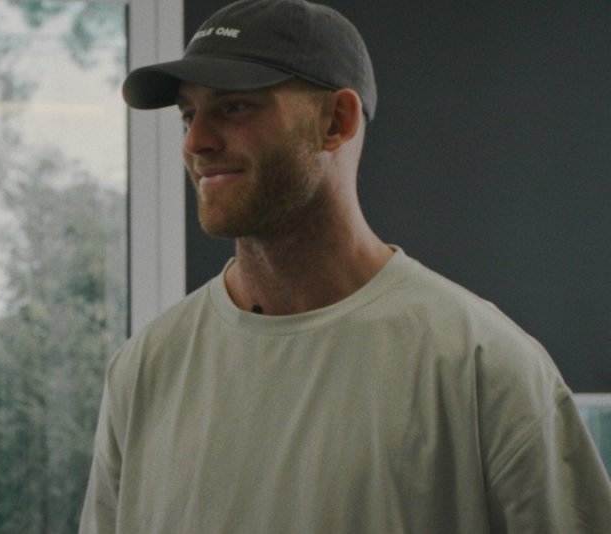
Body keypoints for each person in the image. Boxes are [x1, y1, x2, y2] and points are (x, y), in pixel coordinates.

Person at [79, 0, 611, 531]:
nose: (196, 142)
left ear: (337, 121)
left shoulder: (484, 368)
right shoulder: (145, 371)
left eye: (235, 107)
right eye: (189, 115)